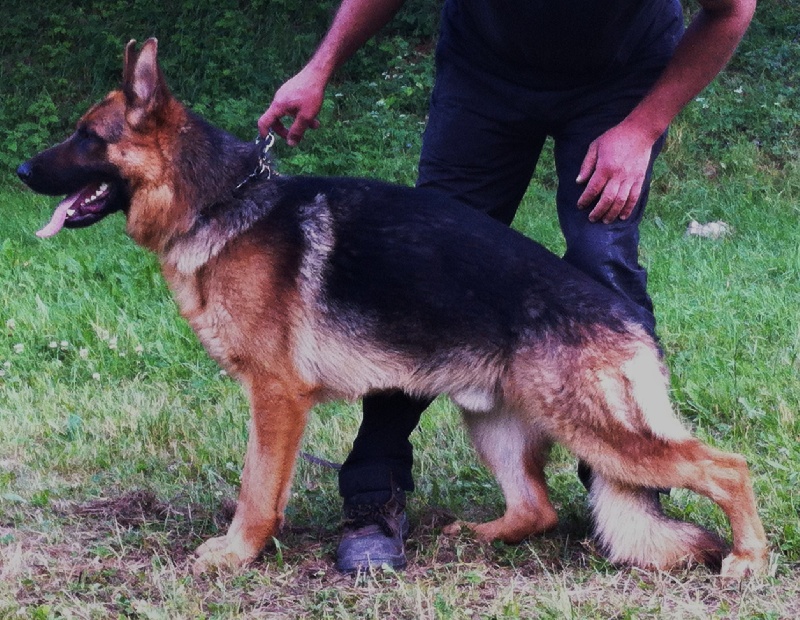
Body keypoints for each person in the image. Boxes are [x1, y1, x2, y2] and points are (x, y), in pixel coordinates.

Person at [259, 0, 756, 573]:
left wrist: (642, 129)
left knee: (603, 258)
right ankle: (375, 490)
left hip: (621, 78)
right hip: (486, 74)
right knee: (422, 273)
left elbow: (729, 11)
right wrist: (319, 67)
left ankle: (630, 482)